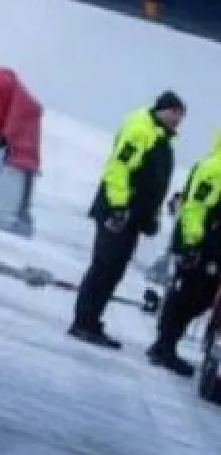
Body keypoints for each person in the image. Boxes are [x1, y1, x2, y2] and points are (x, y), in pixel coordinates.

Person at [69, 90, 186, 349]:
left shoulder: (158, 135)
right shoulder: (141, 131)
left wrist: (149, 216)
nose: (178, 121)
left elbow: (153, 184)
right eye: (176, 114)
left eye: (181, 117)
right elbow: (119, 169)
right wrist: (119, 207)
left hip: (132, 217)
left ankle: (91, 320)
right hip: (119, 214)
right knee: (104, 268)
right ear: (164, 110)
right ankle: (83, 322)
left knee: (113, 270)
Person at [147, 124, 221, 375]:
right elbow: (195, 208)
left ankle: (165, 344)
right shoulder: (215, 168)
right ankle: (163, 346)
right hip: (200, 246)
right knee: (186, 296)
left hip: (212, 249)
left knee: (201, 298)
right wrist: (191, 244)